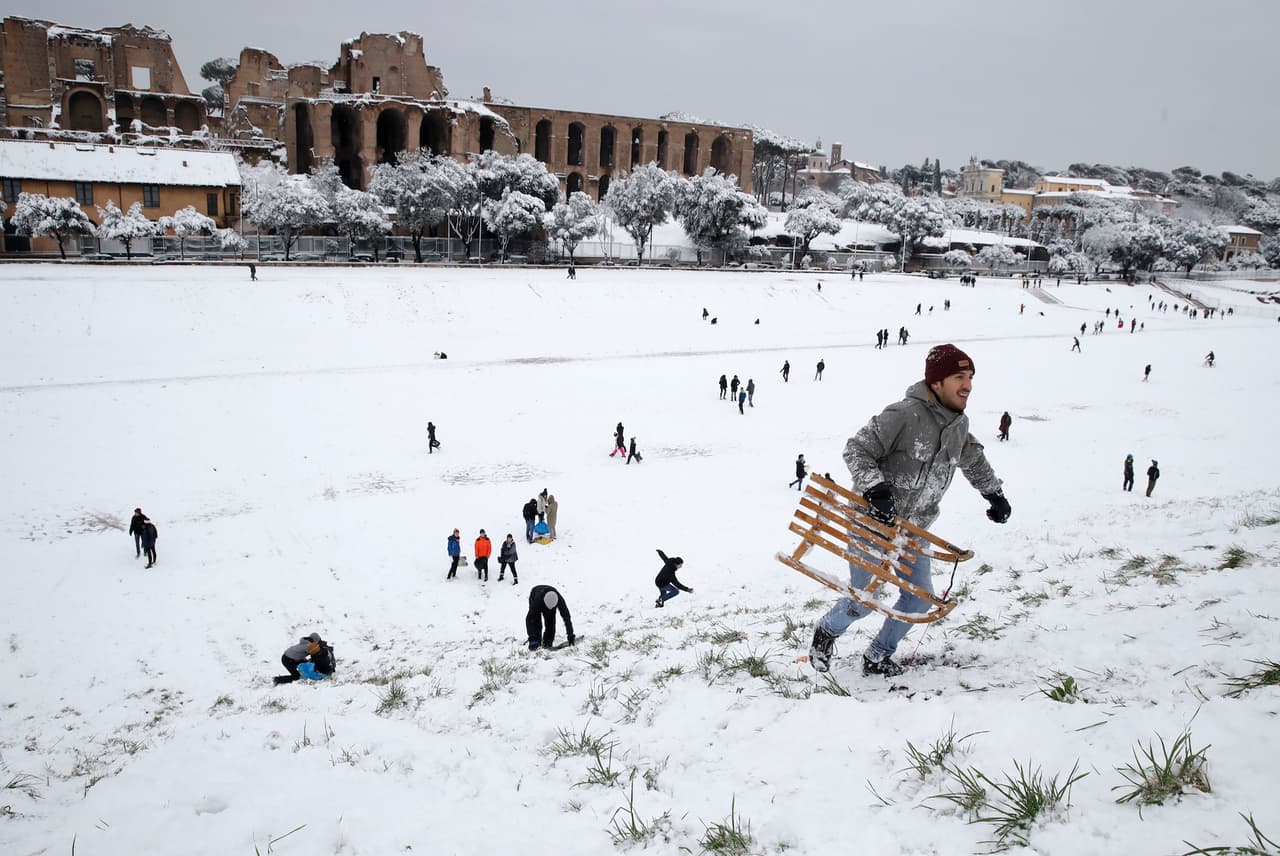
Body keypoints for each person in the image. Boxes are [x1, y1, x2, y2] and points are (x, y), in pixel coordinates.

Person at [809, 343, 1010, 677]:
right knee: (864, 600)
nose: (968, 386)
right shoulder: (903, 415)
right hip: (871, 525)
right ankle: (826, 631)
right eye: (959, 377)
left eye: (970, 377)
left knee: (919, 600)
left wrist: (994, 494)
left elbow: (974, 461)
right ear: (936, 382)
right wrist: (875, 488)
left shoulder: (958, 427)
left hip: (914, 530)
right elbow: (857, 449)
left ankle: (877, 656)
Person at [526, 586, 575, 650]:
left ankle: (547, 644)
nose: (549, 609)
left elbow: (567, 617)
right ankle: (537, 644)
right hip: (536, 594)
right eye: (548, 608)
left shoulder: (560, 600)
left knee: (551, 624)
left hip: (548, 601)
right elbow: (529, 619)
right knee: (537, 624)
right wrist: (532, 637)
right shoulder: (537, 602)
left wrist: (570, 634)